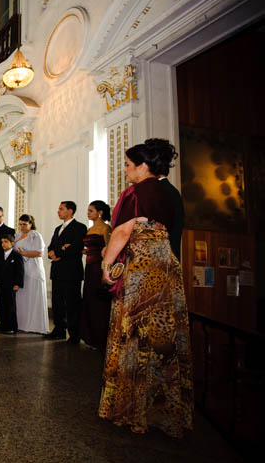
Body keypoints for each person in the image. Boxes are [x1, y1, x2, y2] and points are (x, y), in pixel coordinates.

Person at [99, 139, 192, 438]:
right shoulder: (172, 193)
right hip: (167, 271)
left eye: (128, 165)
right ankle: (163, 412)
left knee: (135, 337)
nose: (125, 170)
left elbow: (124, 230)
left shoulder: (138, 191)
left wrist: (107, 266)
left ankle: (130, 407)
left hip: (142, 272)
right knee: (163, 341)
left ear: (142, 166)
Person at [44, 201, 87, 343]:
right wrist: (54, 252)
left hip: (71, 272)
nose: (58, 211)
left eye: (61, 209)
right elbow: (51, 246)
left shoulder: (80, 227)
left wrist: (59, 251)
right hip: (57, 271)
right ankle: (59, 330)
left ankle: (74, 334)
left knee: (72, 304)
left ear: (70, 211)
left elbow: (75, 248)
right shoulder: (58, 229)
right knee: (57, 302)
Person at [79, 200, 112, 351]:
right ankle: (90, 337)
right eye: (88, 210)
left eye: (91, 210)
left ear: (100, 213)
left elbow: (110, 250)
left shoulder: (106, 228)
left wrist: (106, 271)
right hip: (89, 267)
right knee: (89, 300)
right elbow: (89, 248)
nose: (88, 213)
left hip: (99, 268)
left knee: (99, 303)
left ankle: (101, 339)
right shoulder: (89, 229)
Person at [14, 214, 49, 334]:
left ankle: (35, 325)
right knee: (22, 296)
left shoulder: (35, 235)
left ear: (31, 224)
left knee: (33, 295)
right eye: (20, 224)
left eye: (25, 224)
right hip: (20, 269)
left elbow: (40, 253)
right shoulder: (17, 236)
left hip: (33, 269)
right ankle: (22, 323)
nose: (22, 227)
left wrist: (24, 253)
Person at [0, 234, 24, 334]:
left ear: (12, 243)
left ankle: (11, 326)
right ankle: (2, 324)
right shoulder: (0, 255)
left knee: (10, 306)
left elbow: (20, 271)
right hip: (1, 284)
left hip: (11, 285)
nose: (3, 244)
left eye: (6, 242)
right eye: (2, 242)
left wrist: (18, 284)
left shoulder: (17, 255)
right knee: (1, 304)